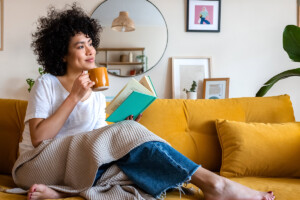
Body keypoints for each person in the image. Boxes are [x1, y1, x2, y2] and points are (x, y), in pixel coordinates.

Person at [14, 4, 275, 200]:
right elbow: (39, 138)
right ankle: (217, 185)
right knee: (129, 148)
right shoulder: (47, 83)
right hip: (36, 165)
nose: (91, 50)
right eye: (81, 46)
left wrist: (121, 126)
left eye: (91, 43)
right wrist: (73, 97)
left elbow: (92, 142)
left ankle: (61, 192)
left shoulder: (94, 94)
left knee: (134, 165)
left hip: (75, 166)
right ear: (62, 53)